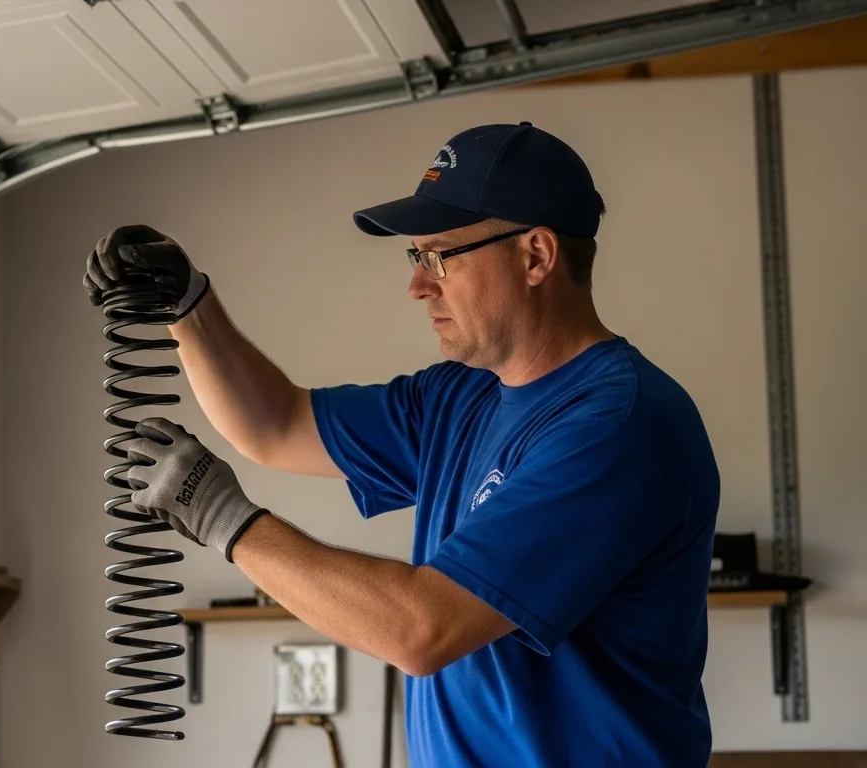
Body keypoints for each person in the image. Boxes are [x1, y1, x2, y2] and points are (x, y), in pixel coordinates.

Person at [82, 121, 721, 767]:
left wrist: (223, 519)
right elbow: (275, 426)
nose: (418, 286)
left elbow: (422, 629)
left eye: (440, 256)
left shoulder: (615, 428)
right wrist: (190, 306)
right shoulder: (457, 398)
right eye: (416, 257)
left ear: (536, 255)